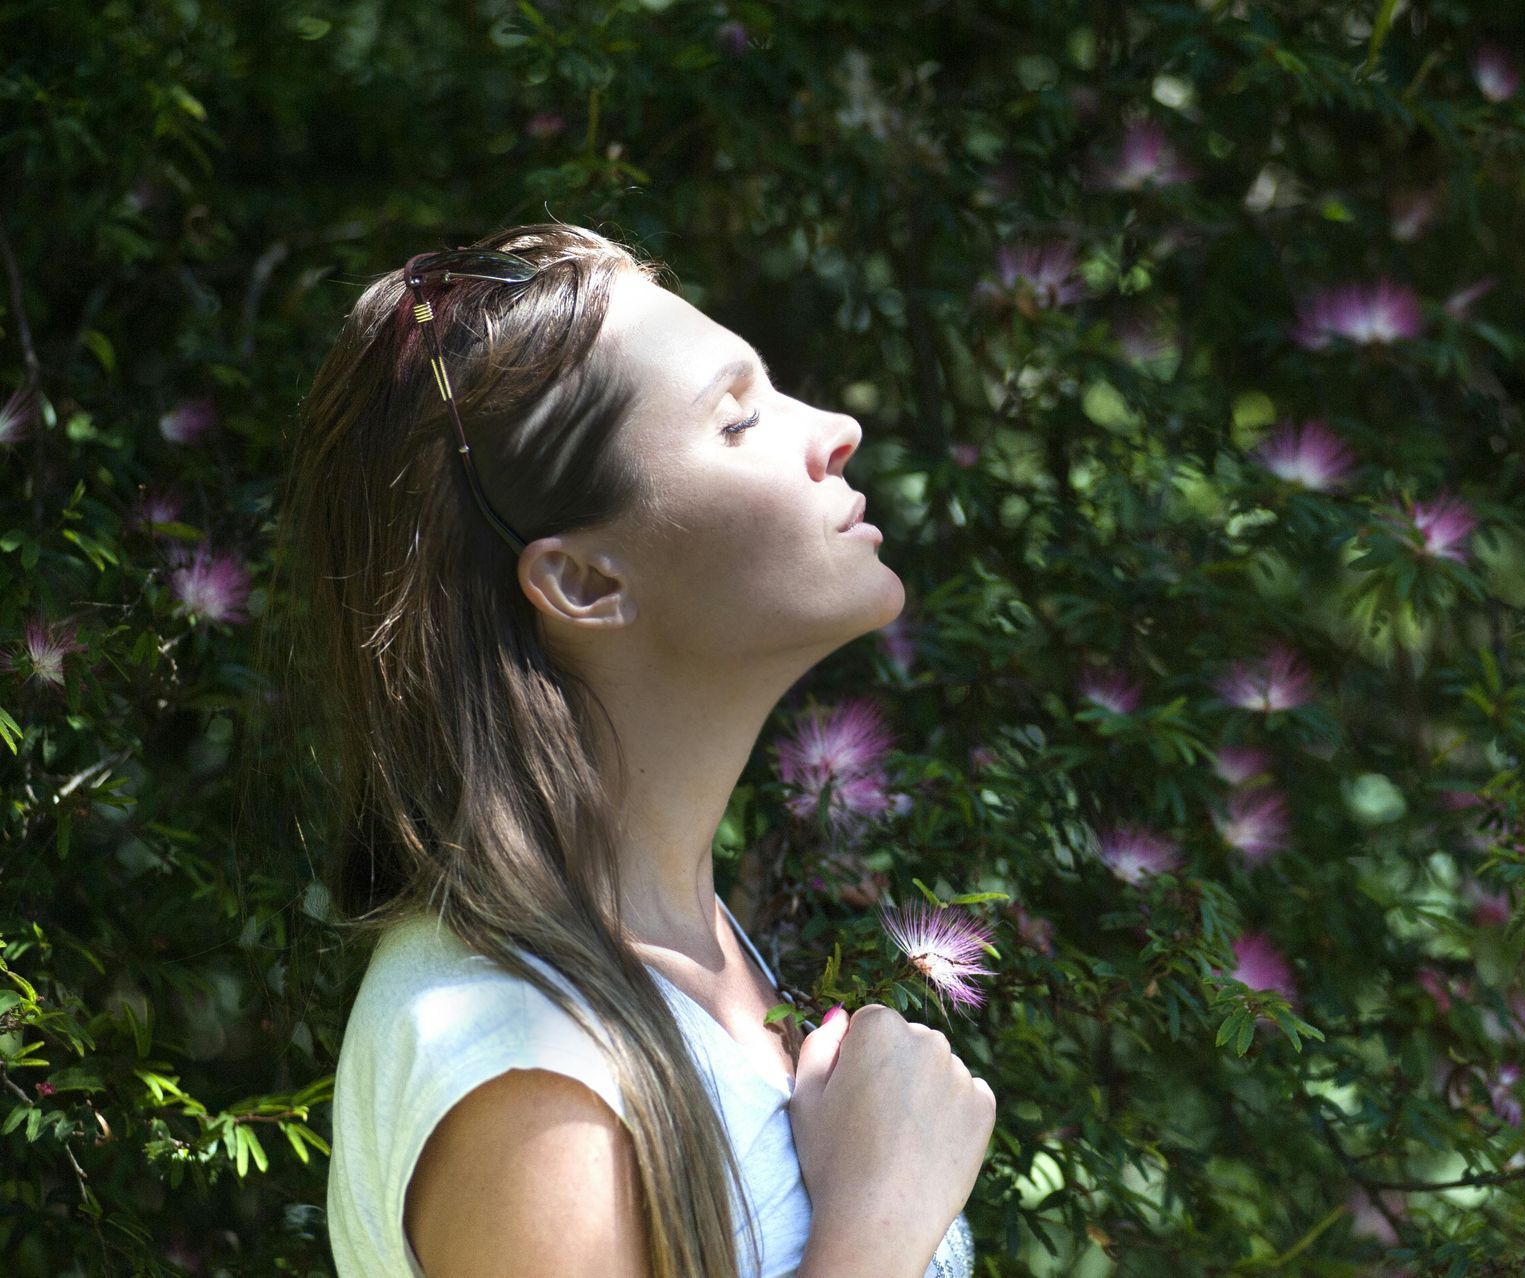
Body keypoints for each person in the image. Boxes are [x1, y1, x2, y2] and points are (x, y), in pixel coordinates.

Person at [268, 222, 993, 1276]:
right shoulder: (526, 1069)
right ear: (583, 585)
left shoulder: (685, 954)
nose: (835, 428)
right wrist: (879, 1222)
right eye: (738, 419)